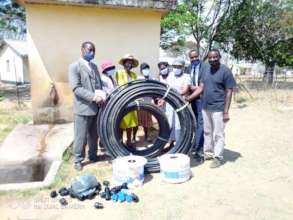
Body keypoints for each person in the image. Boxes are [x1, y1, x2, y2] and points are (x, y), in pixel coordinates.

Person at [186, 49, 236, 168]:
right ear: (208, 58)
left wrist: (226, 112)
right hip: (205, 106)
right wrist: (189, 98)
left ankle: (218, 157)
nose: (213, 59)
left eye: (215, 57)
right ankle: (208, 153)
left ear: (219, 57)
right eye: (210, 58)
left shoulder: (225, 71)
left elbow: (229, 92)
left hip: (218, 108)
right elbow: (201, 87)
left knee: (218, 133)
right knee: (207, 132)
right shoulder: (206, 70)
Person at [68, 41, 105, 171]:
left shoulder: (94, 67)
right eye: (89, 50)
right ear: (82, 50)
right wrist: (94, 97)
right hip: (83, 108)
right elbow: (76, 88)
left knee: (94, 135)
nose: (92, 53)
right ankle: (78, 160)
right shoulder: (74, 67)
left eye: (94, 51)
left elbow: (98, 85)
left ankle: (93, 155)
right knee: (80, 136)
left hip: (96, 108)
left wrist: (102, 96)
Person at [164, 58, 191, 143]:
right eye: (175, 66)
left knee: (179, 122)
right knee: (169, 121)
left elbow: (185, 90)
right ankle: (169, 141)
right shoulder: (171, 75)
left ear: (183, 67)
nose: (176, 68)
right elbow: (167, 88)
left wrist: (174, 94)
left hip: (180, 102)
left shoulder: (186, 76)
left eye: (179, 66)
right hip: (170, 102)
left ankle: (179, 142)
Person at [116, 54, 139, 147]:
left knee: (131, 123)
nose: (129, 64)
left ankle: (129, 141)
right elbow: (120, 85)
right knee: (122, 122)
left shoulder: (134, 75)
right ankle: (120, 142)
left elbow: (136, 87)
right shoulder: (119, 73)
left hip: (132, 100)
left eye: (131, 63)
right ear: (124, 63)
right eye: (127, 62)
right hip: (122, 101)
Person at [186, 49, 204, 162]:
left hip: (202, 98)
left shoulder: (205, 67)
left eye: (195, 57)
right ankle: (196, 144)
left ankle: (198, 148)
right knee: (196, 121)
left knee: (201, 123)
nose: (194, 59)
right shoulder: (188, 68)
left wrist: (194, 88)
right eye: (192, 57)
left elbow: (203, 86)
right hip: (193, 99)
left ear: (199, 56)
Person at [137, 62, 153, 142]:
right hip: (139, 103)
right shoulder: (138, 78)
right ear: (141, 70)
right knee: (137, 121)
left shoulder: (151, 78)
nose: (146, 70)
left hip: (148, 102)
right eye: (144, 69)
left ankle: (147, 136)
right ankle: (134, 138)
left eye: (147, 68)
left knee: (147, 121)